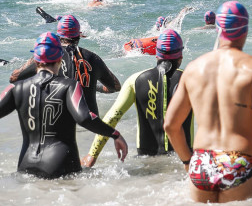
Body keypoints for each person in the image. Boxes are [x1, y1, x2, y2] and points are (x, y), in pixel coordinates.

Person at [162, 1, 252, 203]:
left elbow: (171, 125)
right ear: (245, 30)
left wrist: (188, 162)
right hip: (239, 163)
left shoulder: (194, 68)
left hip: (201, 163)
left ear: (218, 29)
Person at [0, 33, 128, 178]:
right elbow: (85, 118)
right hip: (62, 163)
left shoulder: (16, 88)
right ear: (60, 58)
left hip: (26, 164)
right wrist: (115, 134)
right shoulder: (70, 86)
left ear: (35, 60)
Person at [83, 30, 193, 167]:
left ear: (156, 55)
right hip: (183, 160)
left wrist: (92, 155)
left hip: (146, 161)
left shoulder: (134, 80)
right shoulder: (191, 80)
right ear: (180, 56)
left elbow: (111, 118)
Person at [10, 15, 121, 114]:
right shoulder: (93, 58)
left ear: (58, 36)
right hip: (90, 125)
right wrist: (95, 87)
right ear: (79, 36)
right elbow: (115, 87)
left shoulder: (46, 55)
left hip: (56, 123)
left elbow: (14, 78)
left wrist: (35, 59)